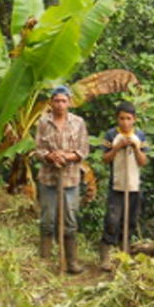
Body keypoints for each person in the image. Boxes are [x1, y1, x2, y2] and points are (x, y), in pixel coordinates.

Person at [34, 85, 90, 274]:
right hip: (48, 179)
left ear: (69, 102)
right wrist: (51, 156)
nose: (60, 104)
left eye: (63, 101)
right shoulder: (43, 122)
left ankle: (71, 262)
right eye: (56, 100)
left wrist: (67, 157)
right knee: (47, 221)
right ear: (51, 102)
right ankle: (45, 264)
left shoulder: (78, 123)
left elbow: (83, 150)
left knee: (70, 221)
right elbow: (38, 149)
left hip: (70, 179)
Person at [98, 101, 149, 271]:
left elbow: (143, 162)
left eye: (128, 118)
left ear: (134, 119)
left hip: (134, 186)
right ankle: (105, 256)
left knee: (130, 221)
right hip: (117, 186)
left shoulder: (140, 136)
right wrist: (117, 148)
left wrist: (135, 149)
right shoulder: (111, 134)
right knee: (112, 220)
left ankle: (123, 255)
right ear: (117, 119)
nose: (125, 122)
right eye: (121, 118)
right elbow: (105, 159)